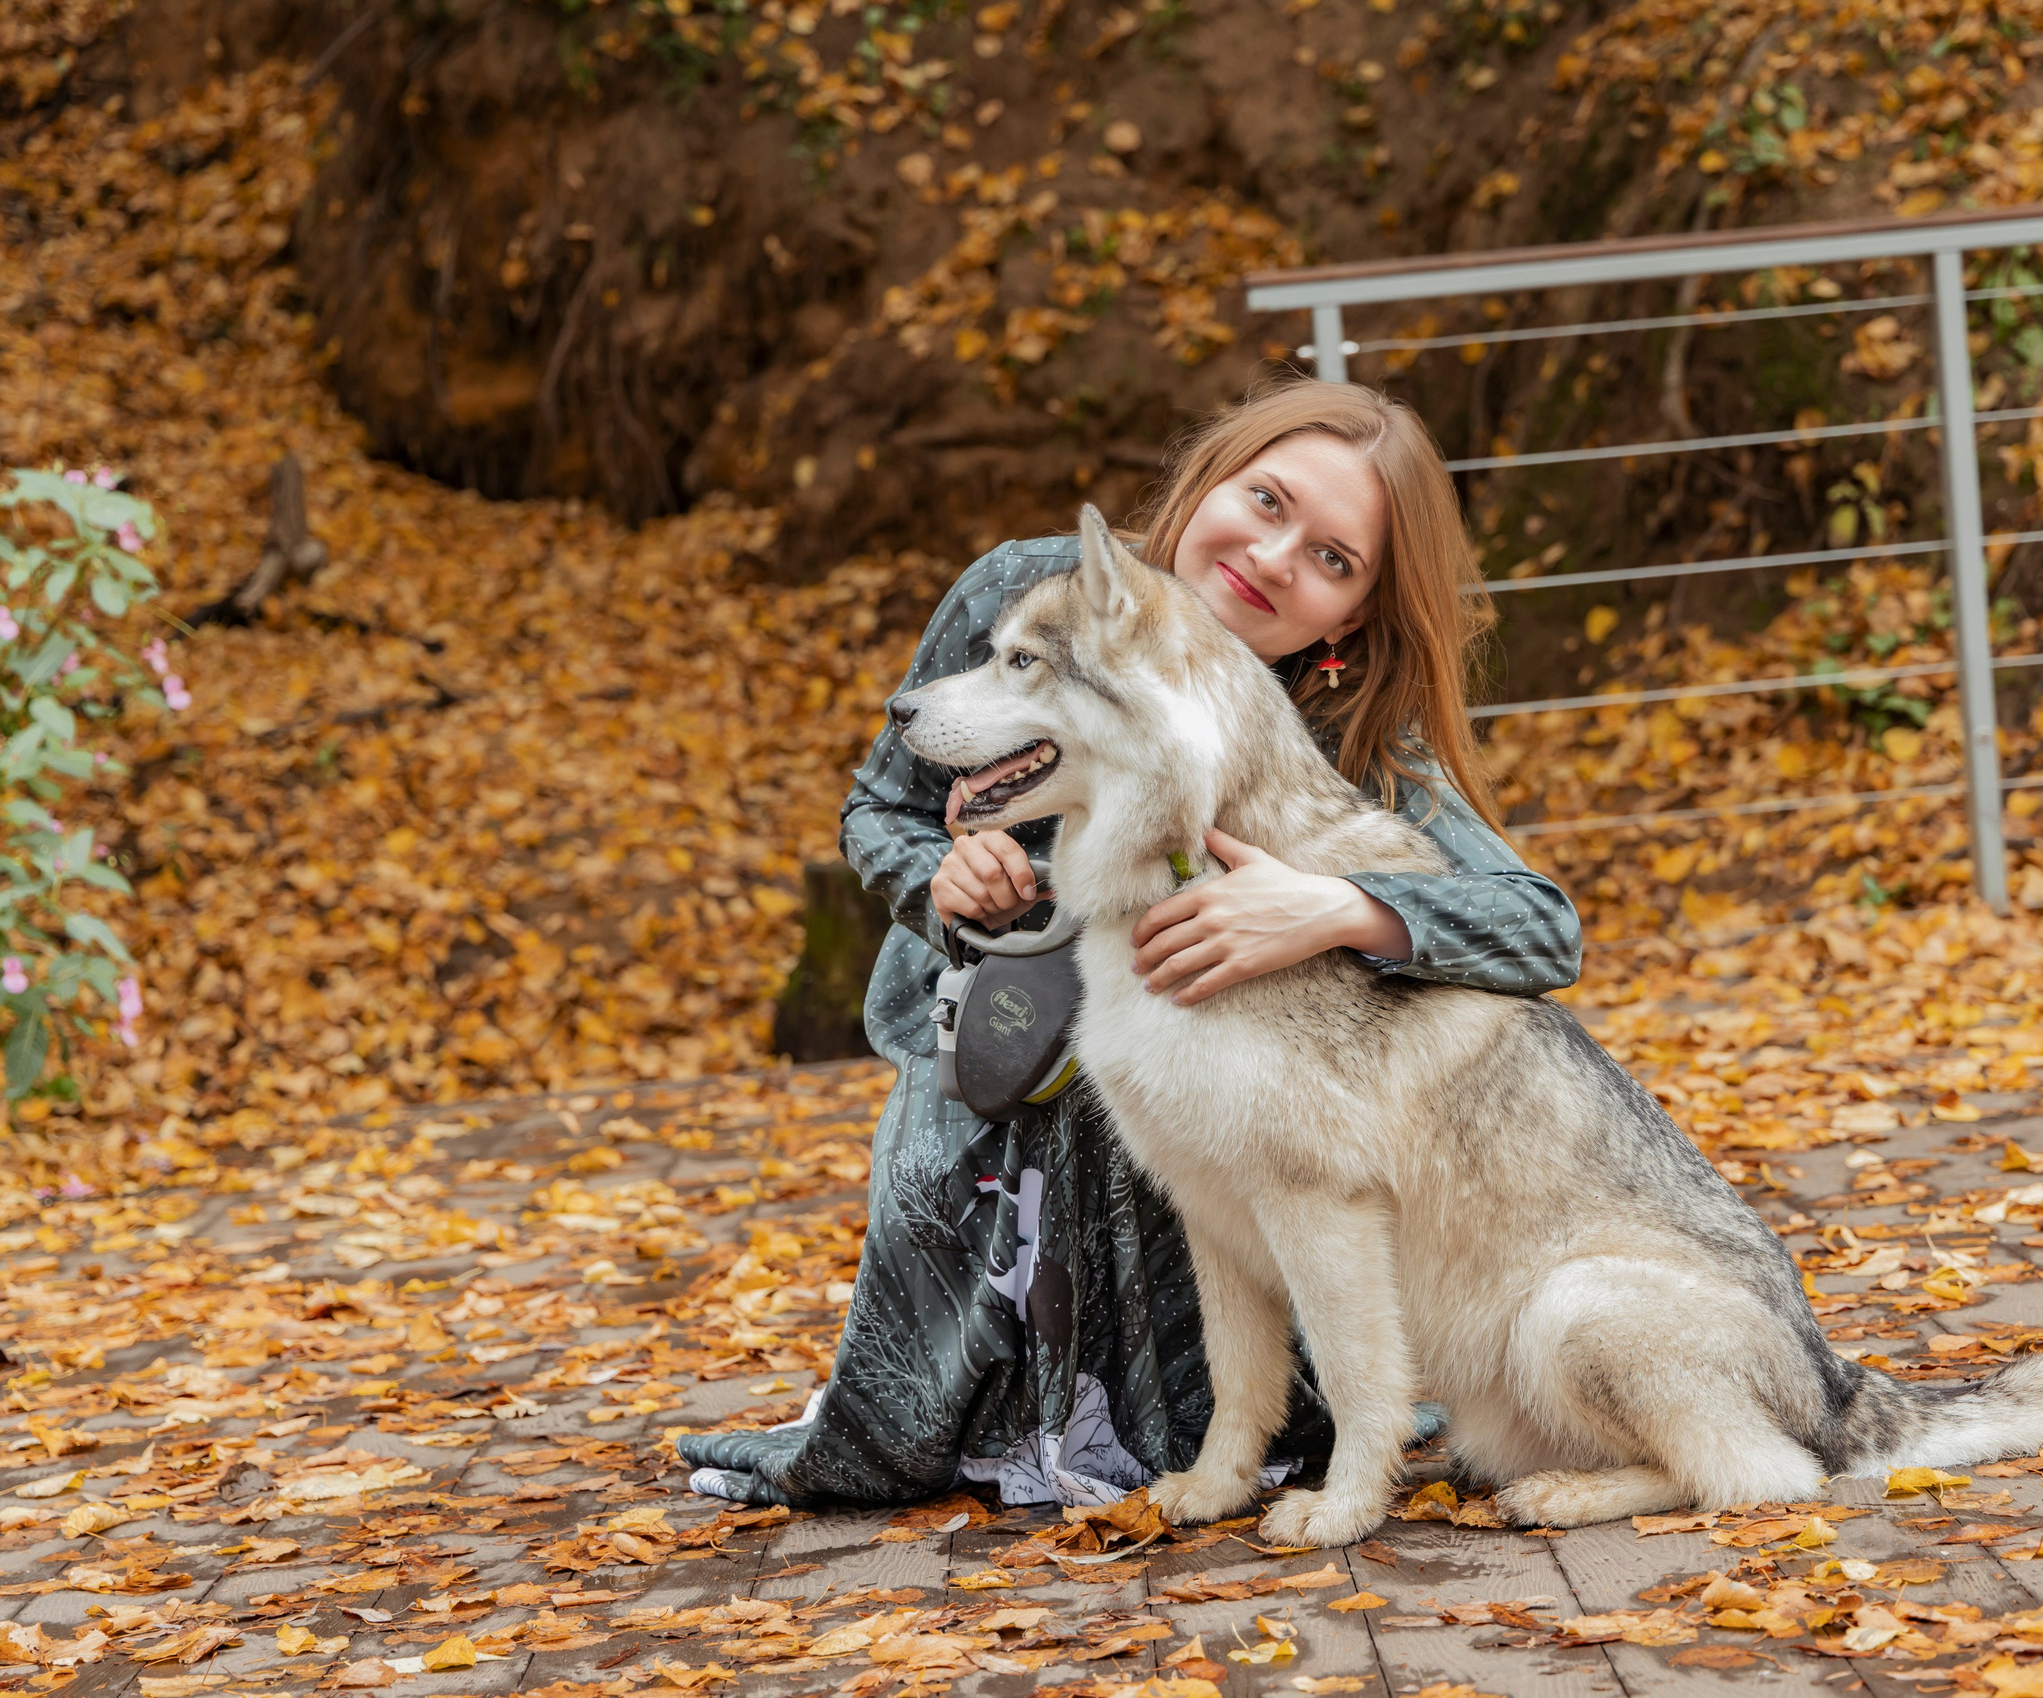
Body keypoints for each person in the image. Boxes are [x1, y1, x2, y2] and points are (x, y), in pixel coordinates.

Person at [677, 375, 1583, 1510]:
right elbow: (883, 805)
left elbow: (1540, 922)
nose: (1275, 556)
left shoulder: (1343, 721)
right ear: (1211, 477)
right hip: (999, 1029)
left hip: (1207, 1076)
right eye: (1265, 500)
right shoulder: (1031, 595)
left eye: (1333, 560)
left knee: (1205, 1166)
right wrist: (942, 880)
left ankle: (1238, 1421)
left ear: (1344, 620)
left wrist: (1337, 906)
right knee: (935, 1320)